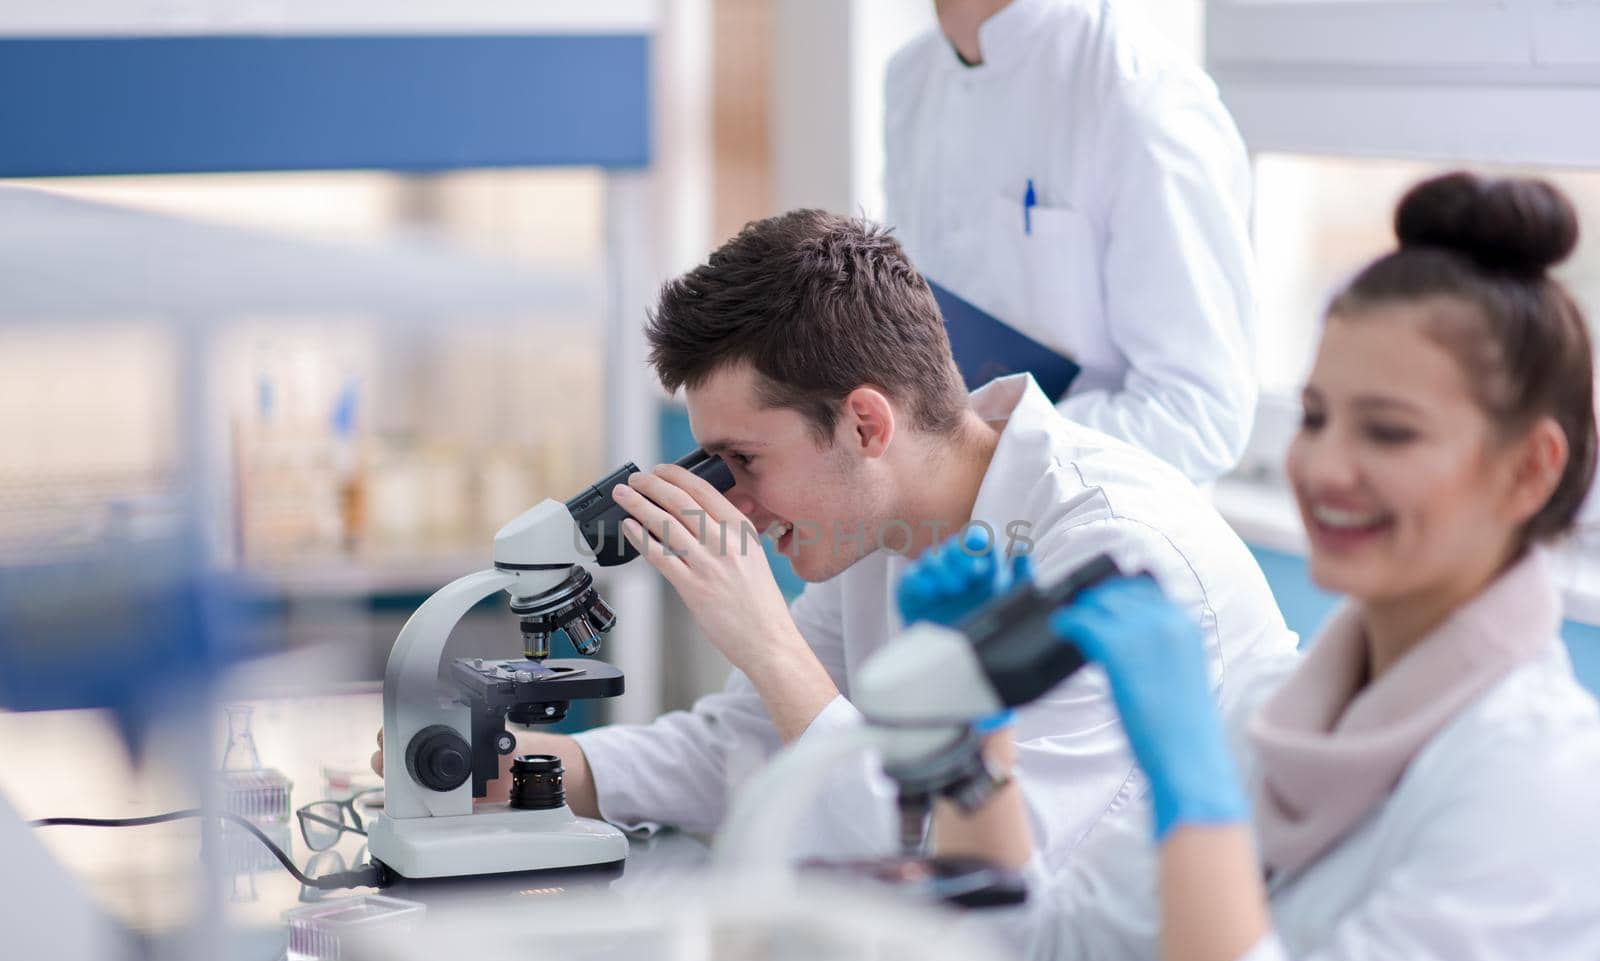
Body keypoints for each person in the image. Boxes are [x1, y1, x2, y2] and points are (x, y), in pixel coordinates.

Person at [905, 172, 1600, 961]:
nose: (1325, 466)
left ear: (1530, 470)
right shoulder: (1279, 702)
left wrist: (1197, 795)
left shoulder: (1538, 783)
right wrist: (970, 734)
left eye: (1387, 432)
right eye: (1314, 417)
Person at [376, 209, 1296, 866]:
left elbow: (968, 864)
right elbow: (744, 748)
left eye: (741, 458)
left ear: (864, 424)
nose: (732, 500)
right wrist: (531, 768)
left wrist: (768, 640)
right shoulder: (882, 524)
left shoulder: (1107, 559)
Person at [885, 0, 1258, 484]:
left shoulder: (1140, 95)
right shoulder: (909, 76)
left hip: (1097, 533)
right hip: (938, 529)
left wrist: (972, 449)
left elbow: (1198, 415)